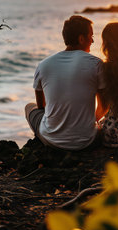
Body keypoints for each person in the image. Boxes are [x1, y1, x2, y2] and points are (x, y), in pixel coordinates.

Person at [25, 15, 106, 150]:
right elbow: (104, 106)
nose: (92, 40)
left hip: (51, 140)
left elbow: (41, 106)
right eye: (91, 36)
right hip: (87, 141)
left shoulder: (43, 65)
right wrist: (89, 123)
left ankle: (47, 138)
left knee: (29, 107)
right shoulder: (97, 64)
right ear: (81, 39)